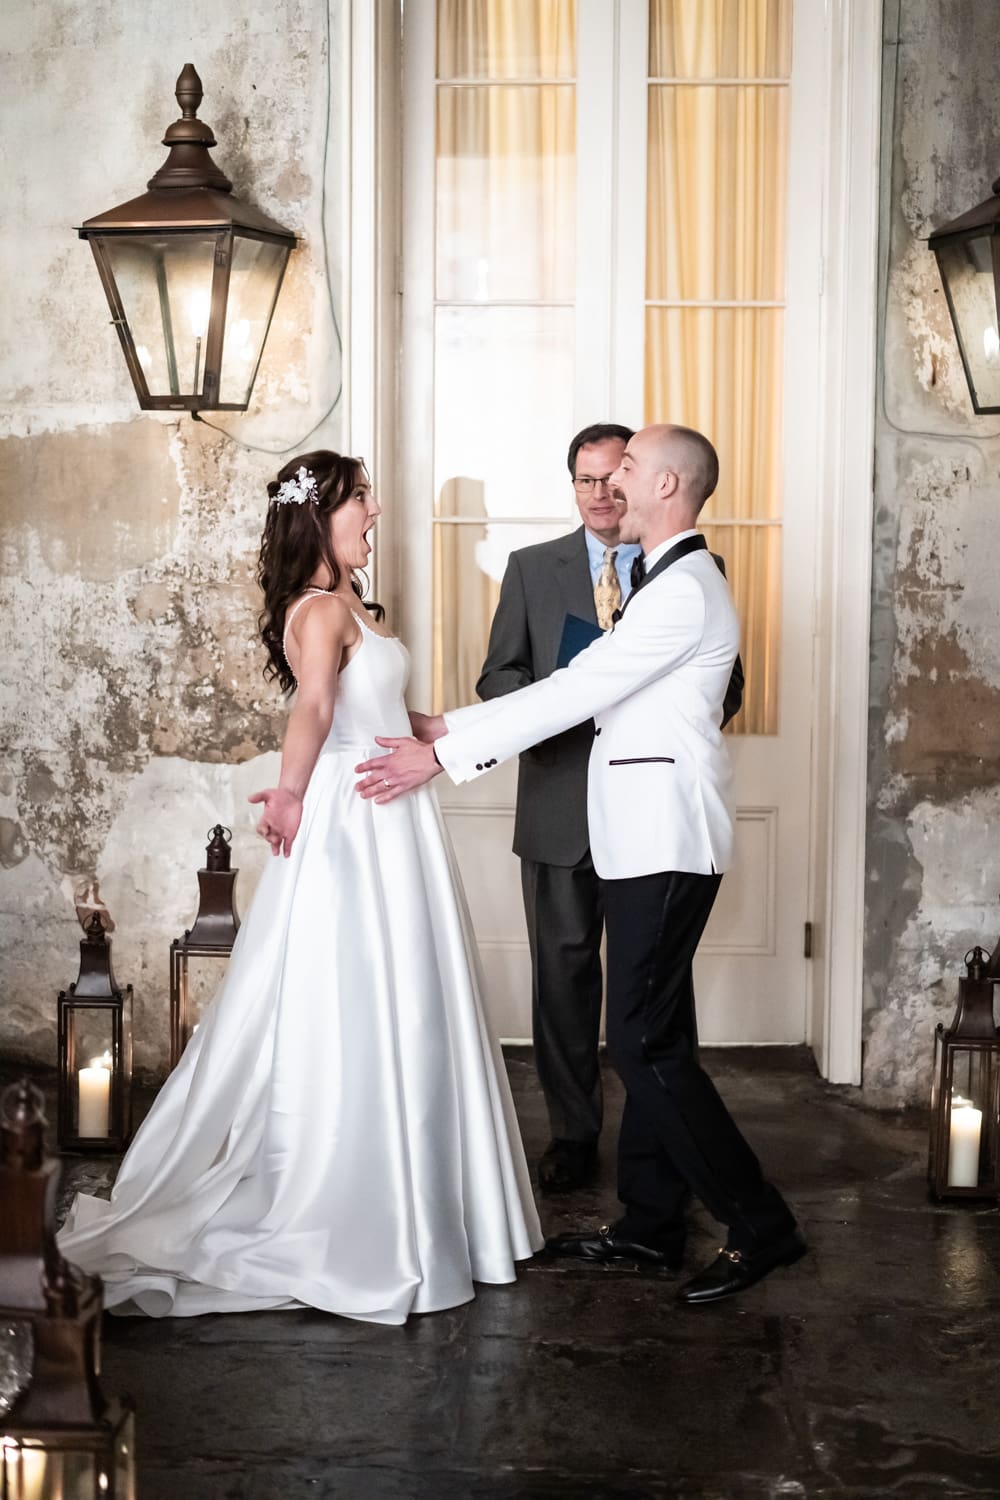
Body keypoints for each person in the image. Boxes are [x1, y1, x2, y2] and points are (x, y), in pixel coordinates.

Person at [57, 450, 543, 1324]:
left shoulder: (354, 604)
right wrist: (287, 791)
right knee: (356, 996)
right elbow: (314, 708)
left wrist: (471, 732)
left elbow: (404, 718)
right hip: (356, 820)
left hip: (397, 817)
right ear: (321, 514)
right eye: (362, 499)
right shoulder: (319, 610)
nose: (376, 512)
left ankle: (428, 1202)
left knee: (411, 1000)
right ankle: (357, 1201)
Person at [355, 425, 804, 1305]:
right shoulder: (673, 580)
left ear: (668, 484)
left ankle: (762, 1225)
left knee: (640, 1043)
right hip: (647, 837)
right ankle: (648, 1224)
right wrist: (448, 725)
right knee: (658, 1037)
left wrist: (441, 757)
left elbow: (580, 691)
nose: (610, 485)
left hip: (664, 842)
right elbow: (586, 679)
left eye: (628, 468)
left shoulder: (681, 590)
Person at [478, 422, 743, 1193]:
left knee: (652, 1004)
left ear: (651, 482)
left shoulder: (686, 574)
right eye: (590, 480)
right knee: (564, 983)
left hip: (651, 814)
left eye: (617, 472)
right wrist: (562, 711)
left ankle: (666, 1159)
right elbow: (501, 679)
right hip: (562, 803)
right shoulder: (532, 569)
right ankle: (576, 1137)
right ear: (573, 487)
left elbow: (721, 691)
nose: (604, 492)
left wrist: (628, 712)